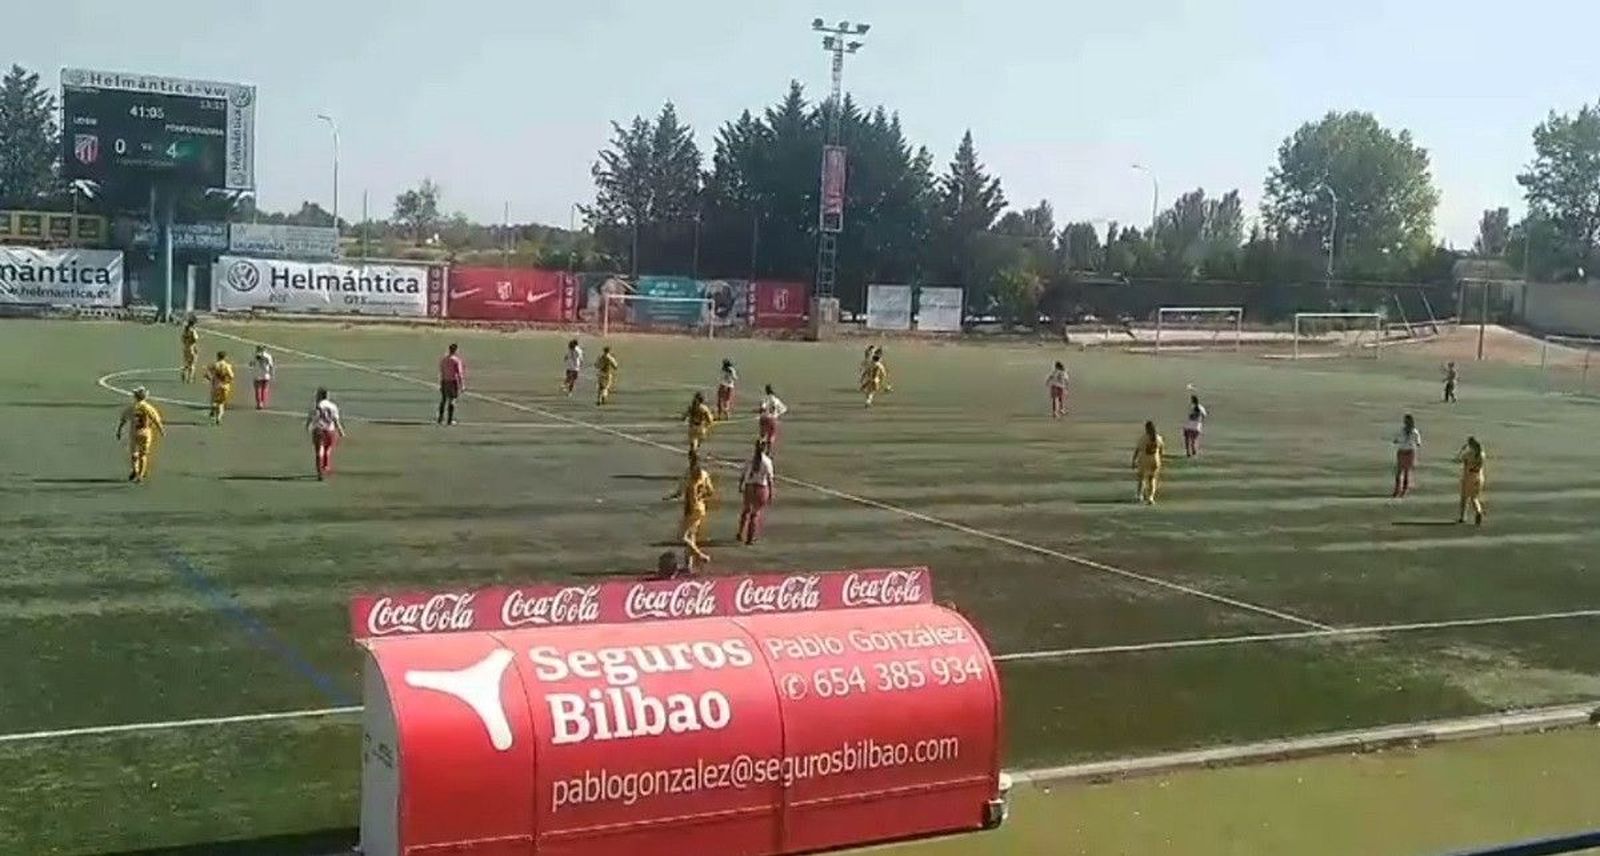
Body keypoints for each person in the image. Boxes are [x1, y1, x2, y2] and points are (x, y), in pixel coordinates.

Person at [665, 450, 716, 567]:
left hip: (691, 508)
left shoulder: (688, 474)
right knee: (691, 536)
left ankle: (701, 555)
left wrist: (669, 497)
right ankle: (689, 565)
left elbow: (679, 492)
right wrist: (701, 497)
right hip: (701, 508)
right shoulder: (704, 474)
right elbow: (710, 491)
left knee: (681, 536)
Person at [116, 387, 165, 483]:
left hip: (134, 432)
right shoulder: (148, 407)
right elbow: (156, 419)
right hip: (146, 432)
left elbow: (123, 419)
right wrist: (161, 430)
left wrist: (119, 430)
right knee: (143, 455)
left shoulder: (132, 407)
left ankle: (135, 469)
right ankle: (140, 475)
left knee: (134, 453)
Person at [738, 440, 776, 545]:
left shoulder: (750, 459)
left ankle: (740, 533)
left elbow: (743, 474)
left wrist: (740, 485)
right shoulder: (767, 462)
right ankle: (750, 538)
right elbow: (770, 479)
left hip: (749, 487)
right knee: (755, 514)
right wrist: (771, 492)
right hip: (761, 488)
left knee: (745, 511)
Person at [306, 387, 346, 481]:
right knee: (328, 449)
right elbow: (336, 420)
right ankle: (325, 467)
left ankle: (319, 472)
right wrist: (340, 430)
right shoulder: (333, 406)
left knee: (319, 450)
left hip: (319, 429)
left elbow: (312, 416)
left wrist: (308, 426)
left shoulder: (317, 405)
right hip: (330, 430)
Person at [1455, 436, 1486, 526]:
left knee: (1464, 498)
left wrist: (1462, 450)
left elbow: (1458, 460)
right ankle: (1478, 511)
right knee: (1474, 498)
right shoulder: (1482, 454)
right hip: (1479, 477)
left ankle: (1463, 517)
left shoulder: (1469, 454)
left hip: (1468, 477)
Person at [1132, 420, 1165, 505]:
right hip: (1155, 460)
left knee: (1141, 478)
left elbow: (1138, 450)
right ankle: (1151, 497)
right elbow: (1161, 450)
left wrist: (1133, 460)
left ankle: (1139, 495)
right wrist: (1160, 460)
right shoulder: (1158, 438)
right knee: (1152, 479)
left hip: (1144, 460)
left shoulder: (1143, 438)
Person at [1392, 413, 1422, 498]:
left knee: (1405, 472)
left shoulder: (1414, 432)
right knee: (1399, 472)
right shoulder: (1402, 431)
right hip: (1403, 451)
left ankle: (1403, 489)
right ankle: (1398, 489)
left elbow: (1418, 442)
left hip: (1408, 452)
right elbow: (1396, 439)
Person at [437, 343, 465, 425]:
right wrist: (462, 384)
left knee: (443, 400)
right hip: (453, 381)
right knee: (452, 400)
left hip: (444, 381)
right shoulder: (456, 360)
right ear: (456, 350)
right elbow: (459, 373)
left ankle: (440, 418)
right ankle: (449, 420)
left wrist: (441, 382)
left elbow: (441, 371)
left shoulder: (444, 359)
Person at [205, 350, 235, 425]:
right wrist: (228, 381)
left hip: (216, 385)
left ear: (217, 356)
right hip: (225, 386)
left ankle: (213, 409)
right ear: (225, 357)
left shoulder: (214, 365)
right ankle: (219, 417)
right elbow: (231, 376)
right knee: (221, 403)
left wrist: (210, 378)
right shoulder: (227, 366)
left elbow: (207, 373)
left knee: (214, 400)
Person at [757, 384, 788, 449]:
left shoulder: (764, 399)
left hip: (763, 418)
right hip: (772, 419)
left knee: (762, 436)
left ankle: (760, 450)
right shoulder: (776, 400)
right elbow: (784, 409)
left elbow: (762, 408)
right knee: (771, 436)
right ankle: (768, 452)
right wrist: (777, 413)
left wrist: (760, 412)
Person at [251, 345, 275, 410]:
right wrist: (272, 374)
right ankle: (263, 402)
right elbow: (271, 366)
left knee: (258, 389)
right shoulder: (268, 356)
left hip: (257, 375)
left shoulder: (255, 356)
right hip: (266, 375)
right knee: (265, 389)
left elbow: (251, 364)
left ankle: (259, 403)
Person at [179, 316, 199, 384]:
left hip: (185, 347)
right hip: (192, 348)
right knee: (192, 364)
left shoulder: (185, 330)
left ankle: (183, 371)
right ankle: (190, 379)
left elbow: (182, 339)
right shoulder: (192, 331)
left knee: (186, 362)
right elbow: (195, 339)